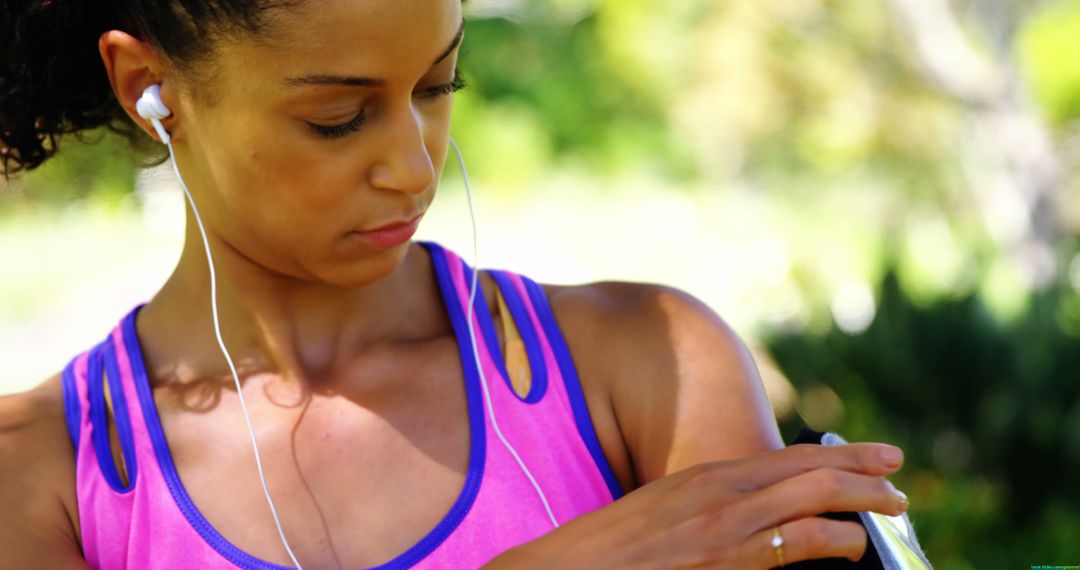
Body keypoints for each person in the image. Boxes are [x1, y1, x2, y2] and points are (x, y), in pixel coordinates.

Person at [0, 1, 913, 568]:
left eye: (438, 85)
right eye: (339, 118)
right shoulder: (44, 474)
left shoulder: (649, 368)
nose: (413, 165)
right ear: (148, 84)